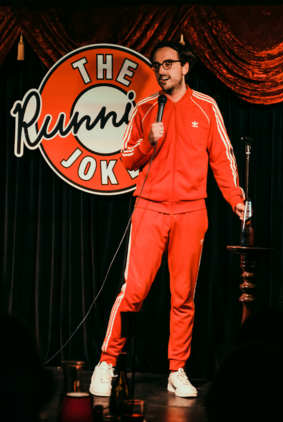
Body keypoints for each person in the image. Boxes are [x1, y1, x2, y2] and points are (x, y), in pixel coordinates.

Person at [90, 40, 244, 399]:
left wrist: (235, 199)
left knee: (183, 296)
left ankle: (177, 370)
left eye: (169, 64)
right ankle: (107, 362)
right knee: (134, 292)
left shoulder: (206, 107)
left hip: (192, 211)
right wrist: (147, 141)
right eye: (157, 65)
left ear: (184, 67)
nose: (162, 70)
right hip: (150, 208)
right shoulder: (145, 110)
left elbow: (223, 158)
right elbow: (127, 159)